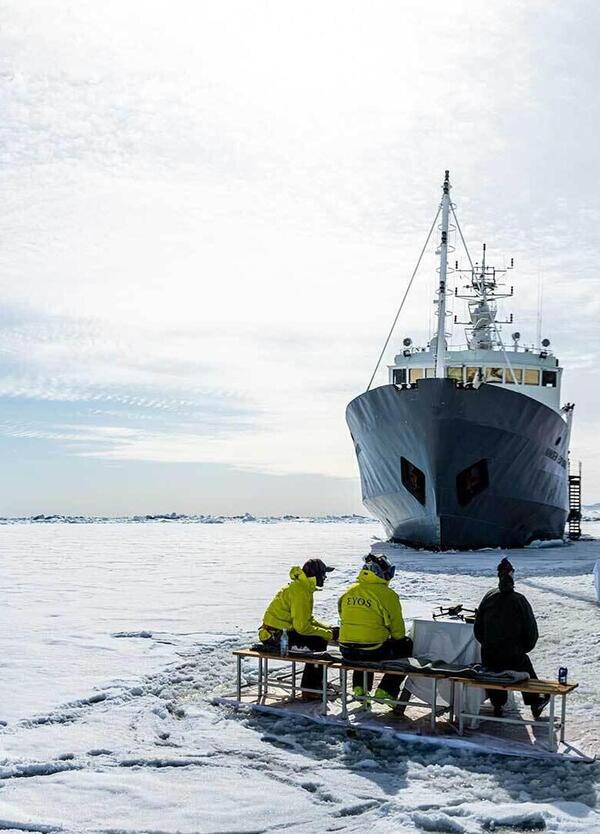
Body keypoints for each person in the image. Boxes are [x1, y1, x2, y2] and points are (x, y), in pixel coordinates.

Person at [474, 557, 549, 719]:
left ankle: (498, 704)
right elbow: (531, 633)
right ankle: (535, 701)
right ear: (512, 576)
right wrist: (521, 649)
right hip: (513, 657)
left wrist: (488, 643)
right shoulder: (519, 600)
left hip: (490, 656)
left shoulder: (488, 597)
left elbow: (478, 629)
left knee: (492, 664)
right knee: (523, 665)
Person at [338, 554, 413, 709]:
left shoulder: (349, 591)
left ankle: (360, 688)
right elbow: (398, 632)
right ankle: (386, 690)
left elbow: (342, 614)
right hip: (373, 650)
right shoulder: (388, 595)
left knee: (362, 645)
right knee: (404, 646)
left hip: (345, 649)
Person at [259, 559, 337, 700]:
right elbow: (302, 627)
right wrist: (328, 634)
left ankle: (314, 684)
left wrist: (328, 628)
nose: (325, 578)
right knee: (318, 643)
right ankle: (311, 689)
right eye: (323, 574)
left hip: (276, 632)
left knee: (319, 638)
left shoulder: (302, 587)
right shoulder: (300, 592)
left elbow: (307, 619)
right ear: (316, 575)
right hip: (276, 637)